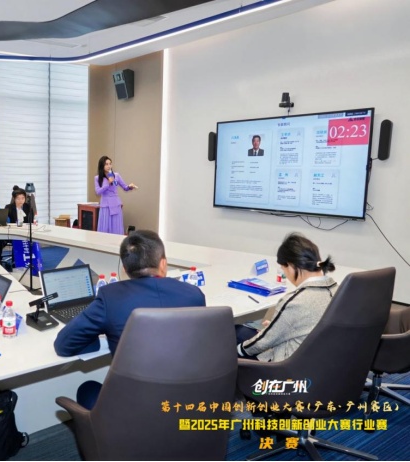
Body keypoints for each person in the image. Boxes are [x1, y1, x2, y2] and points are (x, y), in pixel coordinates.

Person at [54, 230, 206, 409]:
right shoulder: (194, 294)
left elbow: (64, 345)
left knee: (87, 389)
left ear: (125, 269)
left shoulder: (110, 297)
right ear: (163, 263)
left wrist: (95, 342)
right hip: (186, 401)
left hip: (134, 408)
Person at [236, 233, 337, 362]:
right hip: (322, 360)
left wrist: (237, 351)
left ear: (290, 266)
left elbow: (262, 343)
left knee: (235, 332)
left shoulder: (295, 301)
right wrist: (277, 328)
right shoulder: (338, 291)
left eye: (283, 269)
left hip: (287, 365)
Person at [94, 156, 137, 235]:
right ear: (102, 165)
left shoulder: (116, 175)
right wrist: (108, 183)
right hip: (105, 206)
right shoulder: (98, 178)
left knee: (116, 228)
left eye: (110, 164)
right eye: (106, 164)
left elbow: (125, 187)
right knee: (105, 229)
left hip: (116, 205)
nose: (109, 166)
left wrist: (129, 187)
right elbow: (98, 192)